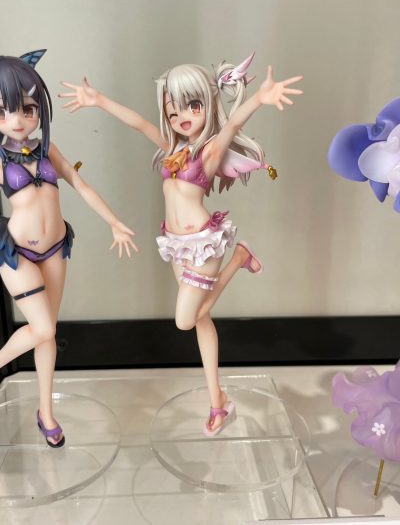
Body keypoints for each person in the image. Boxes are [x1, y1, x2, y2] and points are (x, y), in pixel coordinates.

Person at [60, 52, 302, 436]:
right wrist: (100, 100)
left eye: (192, 106)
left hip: (204, 244)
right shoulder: (173, 150)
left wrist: (259, 98)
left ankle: (239, 257)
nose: (182, 117)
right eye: (173, 112)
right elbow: (140, 124)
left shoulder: (209, 151)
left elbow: (233, 123)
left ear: (207, 103)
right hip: (175, 244)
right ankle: (218, 402)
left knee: (185, 320)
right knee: (202, 319)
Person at [0, 50, 138, 447]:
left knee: (48, 334)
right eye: (4, 111)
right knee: (41, 327)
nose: (18, 120)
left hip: (56, 247)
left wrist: (113, 222)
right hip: (18, 254)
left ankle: (45, 413)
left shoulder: (47, 150)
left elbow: (81, 185)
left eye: (27, 109)